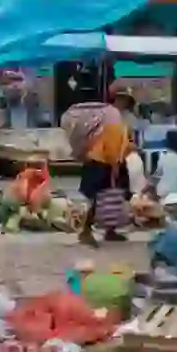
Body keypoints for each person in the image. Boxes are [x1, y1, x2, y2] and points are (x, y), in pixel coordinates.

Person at [65, 102, 131, 247]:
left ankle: (109, 230)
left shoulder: (110, 120)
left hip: (99, 161)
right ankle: (86, 231)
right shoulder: (114, 122)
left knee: (107, 195)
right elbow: (111, 147)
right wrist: (115, 167)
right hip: (102, 163)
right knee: (97, 197)